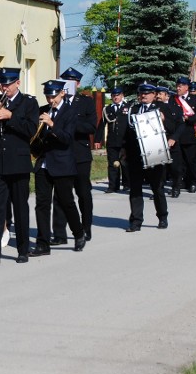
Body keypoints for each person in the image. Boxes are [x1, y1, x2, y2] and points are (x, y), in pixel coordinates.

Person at [0, 67, 39, 267]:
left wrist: (10, 116)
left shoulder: (29, 102)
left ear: (17, 83)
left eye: (8, 84)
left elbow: (30, 130)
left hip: (18, 162)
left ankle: (22, 249)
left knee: (20, 207)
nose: (4, 88)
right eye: (2, 84)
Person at [31, 80, 86, 256]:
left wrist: (52, 124)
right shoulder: (43, 110)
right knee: (41, 205)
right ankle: (42, 244)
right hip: (43, 163)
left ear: (62, 93)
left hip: (62, 164)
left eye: (53, 96)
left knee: (66, 202)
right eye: (48, 96)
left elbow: (67, 138)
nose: (50, 99)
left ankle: (78, 234)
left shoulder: (70, 112)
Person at [51, 67, 95, 243]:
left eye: (72, 81)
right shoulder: (56, 101)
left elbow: (90, 127)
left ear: (77, 84)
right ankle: (59, 233)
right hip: (61, 152)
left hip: (79, 153)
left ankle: (86, 228)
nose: (69, 84)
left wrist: (70, 122)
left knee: (83, 192)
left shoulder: (85, 102)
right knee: (61, 194)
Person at [122, 82, 169, 231]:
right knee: (135, 189)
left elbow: (172, 127)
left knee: (157, 188)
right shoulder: (133, 109)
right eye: (142, 93)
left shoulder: (161, 109)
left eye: (147, 93)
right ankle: (136, 221)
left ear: (154, 95)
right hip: (136, 155)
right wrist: (124, 151)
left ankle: (162, 217)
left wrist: (163, 121)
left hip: (154, 153)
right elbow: (127, 132)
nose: (144, 96)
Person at [172, 76, 196, 194]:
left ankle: (193, 181)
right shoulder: (173, 100)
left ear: (187, 87)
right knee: (178, 162)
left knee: (190, 161)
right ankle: (179, 182)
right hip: (177, 136)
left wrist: (189, 118)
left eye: (181, 86)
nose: (178, 88)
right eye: (177, 86)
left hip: (190, 135)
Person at [94, 87, 130, 193]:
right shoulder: (107, 109)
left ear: (122, 96)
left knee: (125, 164)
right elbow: (101, 125)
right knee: (112, 164)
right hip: (112, 141)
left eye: (118, 95)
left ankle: (127, 184)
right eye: (114, 96)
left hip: (125, 141)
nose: (116, 97)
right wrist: (97, 140)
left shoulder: (128, 107)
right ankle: (113, 186)